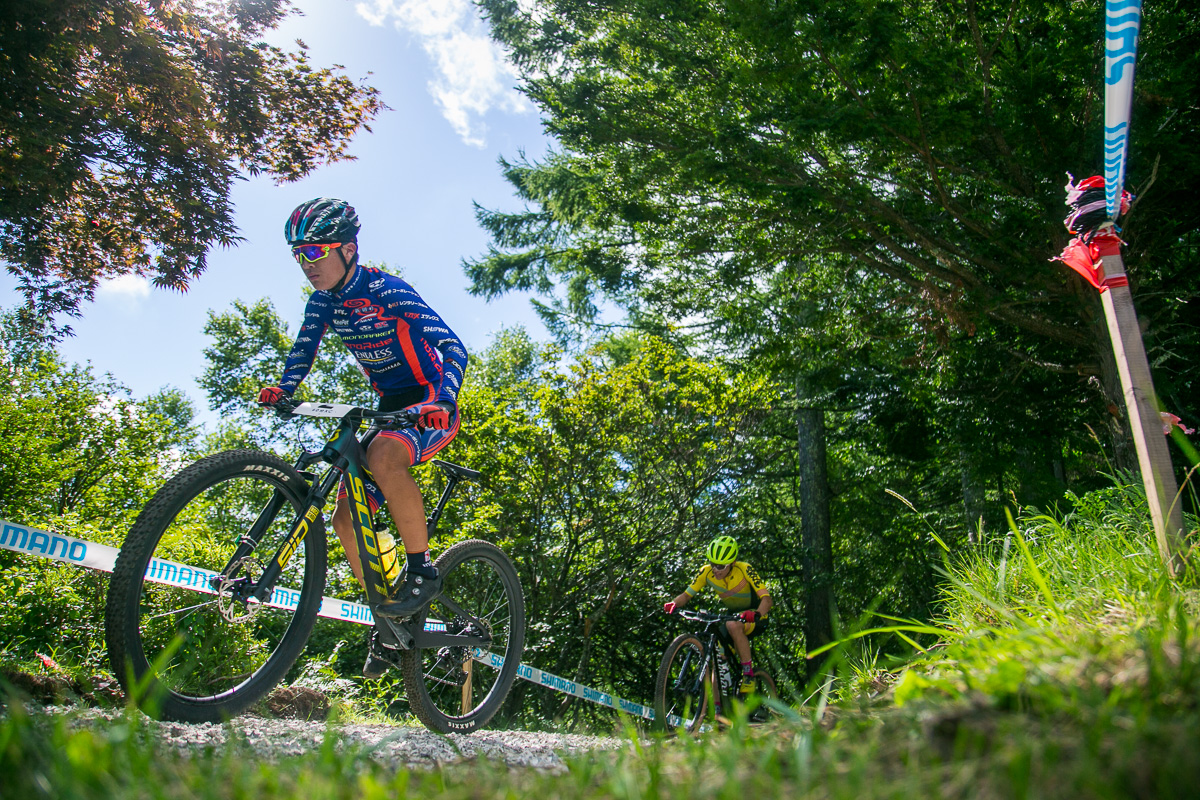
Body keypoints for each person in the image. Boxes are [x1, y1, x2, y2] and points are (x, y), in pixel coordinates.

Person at [257, 197, 468, 678]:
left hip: (429, 403)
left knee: (382, 456)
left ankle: (423, 571)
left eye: (314, 252)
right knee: (345, 523)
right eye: (297, 255)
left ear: (348, 249)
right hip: (387, 409)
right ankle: (391, 617)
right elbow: (301, 352)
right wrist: (285, 389)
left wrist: (445, 398)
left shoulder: (386, 290)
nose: (306, 265)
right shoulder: (322, 303)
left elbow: (451, 345)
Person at [663, 535, 773, 695]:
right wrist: (674, 604)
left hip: (756, 617)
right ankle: (718, 712)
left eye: (721, 566)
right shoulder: (706, 572)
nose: (715, 569)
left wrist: (756, 613)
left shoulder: (745, 569)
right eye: (713, 564)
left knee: (732, 625)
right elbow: (686, 595)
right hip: (733, 617)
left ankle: (748, 675)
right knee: (716, 656)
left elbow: (767, 600)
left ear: (732, 564)